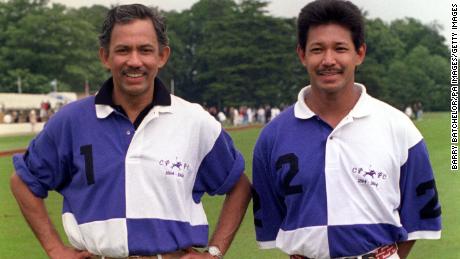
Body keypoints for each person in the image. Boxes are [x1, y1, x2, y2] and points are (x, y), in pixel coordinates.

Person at [10, 4, 251, 259]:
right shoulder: (70, 121)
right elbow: (23, 182)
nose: (134, 61)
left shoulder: (195, 121)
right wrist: (55, 249)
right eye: (123, 50)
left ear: (162, 55)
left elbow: (239, 186)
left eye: (145, 50)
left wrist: (214, 252)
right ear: (105, 56)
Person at [252, 1, 441, 259]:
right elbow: (273, 219)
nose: (328, 60)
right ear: (302, 54)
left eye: (340, 48)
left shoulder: (399, 128)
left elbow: (419, 217)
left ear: (359, 53)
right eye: (317, 49)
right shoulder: (271, 137)